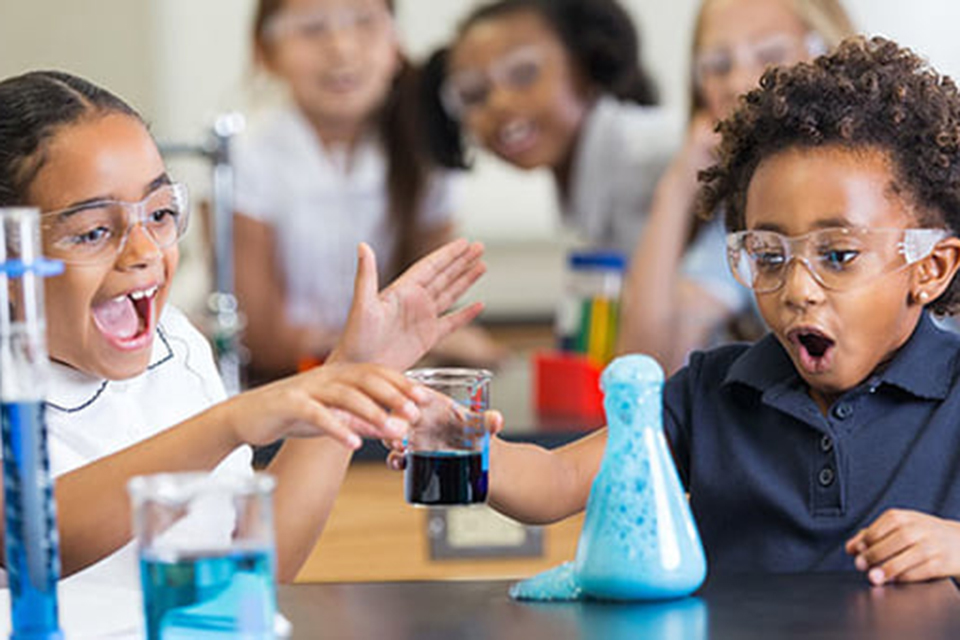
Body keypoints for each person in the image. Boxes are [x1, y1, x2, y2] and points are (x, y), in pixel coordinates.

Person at [394, 36, 960, 585]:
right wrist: (464, 442)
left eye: (838, 255)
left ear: (930, 269)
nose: (797, 289)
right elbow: (557, 478)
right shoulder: (711, 393)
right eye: (767, 256)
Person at [0, 69, 487, 587]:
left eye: (160, 213)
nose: (145, 253)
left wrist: (350, 377)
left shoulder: (176, 345)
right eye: (94, 231)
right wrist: (232, 421)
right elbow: (33, 540)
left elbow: (253, 570)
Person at [235, 0, 503, 378]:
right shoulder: (244, 152)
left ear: (396, 44)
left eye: (364, 23)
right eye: (312, 28)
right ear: (266, 52)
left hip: (391, 386)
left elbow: (436, 308)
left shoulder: (427, 145)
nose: (341, 48)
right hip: (282, 386)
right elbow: (264, 340)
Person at [617, 0, 855, 374]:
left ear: (829, 55)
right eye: (717, 66)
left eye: (770, 54)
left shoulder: (907, 181)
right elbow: (647, 369)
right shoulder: (751, 219)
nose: (738, 83)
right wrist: (678, 188)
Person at [420, 0, 676, 257]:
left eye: (523, 74)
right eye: (473, 94)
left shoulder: (658, 155)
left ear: (584, 63)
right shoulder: (581, 180)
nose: (499, 103)